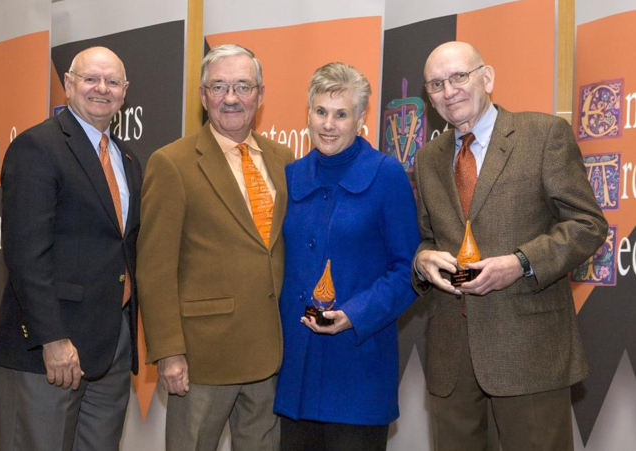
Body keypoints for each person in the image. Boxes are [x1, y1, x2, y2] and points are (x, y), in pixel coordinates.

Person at [413, 41, 608, 451]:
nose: (449, 91)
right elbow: (427, 236)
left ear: (487, 77)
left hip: (528, 348)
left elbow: (588, 224)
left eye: (458, 77)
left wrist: (521, 263)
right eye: (436, 84)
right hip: (451, 353)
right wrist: (422, 258)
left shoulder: (543, 135)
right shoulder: (428, 158)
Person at [136, 44, 294, 451]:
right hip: (201, 358)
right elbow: (154, 268)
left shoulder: (283, 160)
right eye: (219, 86)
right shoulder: (172, 162)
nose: (231, 97)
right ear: (204, 96)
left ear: (260, 94)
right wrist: (169, 352)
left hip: (270, 354)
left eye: (243, 86)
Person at [0, 46, 141, 451]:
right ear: (68, 84)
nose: (101, 89)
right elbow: (26, 256)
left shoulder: (128, 159)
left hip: (110, 350)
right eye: (91, 79)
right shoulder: (37, 148)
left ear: (124, 92)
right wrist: (53, 339)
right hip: (49, 353)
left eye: (112, 82)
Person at [273, 62, 420, 451]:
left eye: (341, 114)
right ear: (308, 113)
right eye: (320, 111)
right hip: (295, 372)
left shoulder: (387, 174)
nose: (329, 124)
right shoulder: (290, 176)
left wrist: (355, 314)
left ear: (360, 117)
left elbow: (408, 270)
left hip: (358, 366)